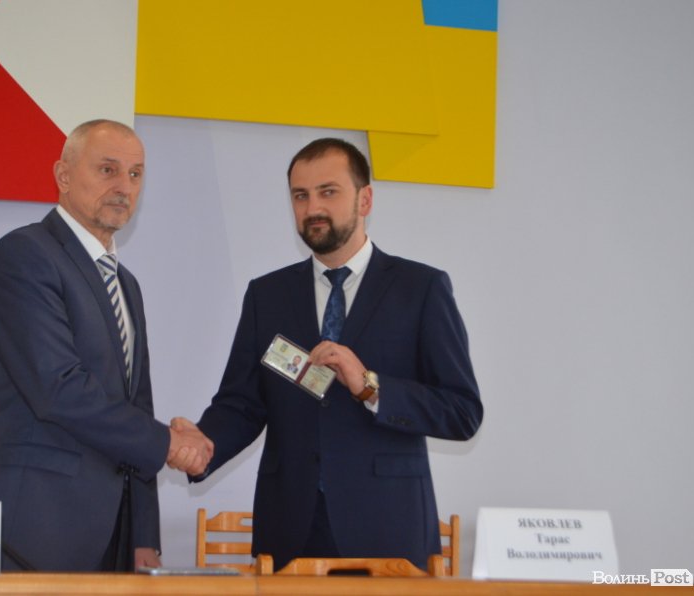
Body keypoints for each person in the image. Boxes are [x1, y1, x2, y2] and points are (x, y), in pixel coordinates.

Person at [172, 138, 482, 572]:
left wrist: (370, 386)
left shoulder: (421, 289)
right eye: (300, 195)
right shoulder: (267, 295)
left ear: (365, 199)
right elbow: (241, 403)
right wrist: (201, 445)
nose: (313, 207)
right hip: (291, 528)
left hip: (387, 530)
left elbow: (462, 412)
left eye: (328, 192)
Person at [0, 119, 212, 572]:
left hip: (110, 536)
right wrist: (170, 444)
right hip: (30, 523)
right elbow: (58, 388)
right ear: (63, 175)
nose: (124, 187)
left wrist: (143, 534)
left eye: (135, 174)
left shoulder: (126, 284)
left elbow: (136, 405)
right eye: (108, 170)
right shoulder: (24, 255)